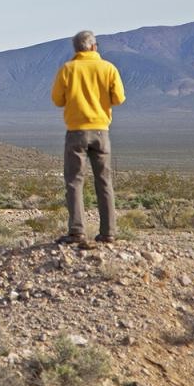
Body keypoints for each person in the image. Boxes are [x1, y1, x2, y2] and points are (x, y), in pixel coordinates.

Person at [51, 30, 126, 246]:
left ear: (76, 48)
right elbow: (119, 98)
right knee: (104, 180)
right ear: (94, 46)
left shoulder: (68, 69)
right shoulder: (108, 68)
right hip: (101, 131)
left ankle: (76, 231)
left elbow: (57, 100)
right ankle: (108, 232)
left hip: (76, 131)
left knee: (74, 181)